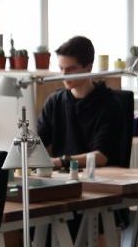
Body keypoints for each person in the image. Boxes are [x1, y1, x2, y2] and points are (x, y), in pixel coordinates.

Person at [37, 36, 122, 171]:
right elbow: (37, 143)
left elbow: (101, 156)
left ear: (88, 67)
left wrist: (61, 161)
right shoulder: (54, 102)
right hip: (61, 177)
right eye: (61, 68)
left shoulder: (110, 104)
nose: (64, 74)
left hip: (99, 179)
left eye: (71, 69)